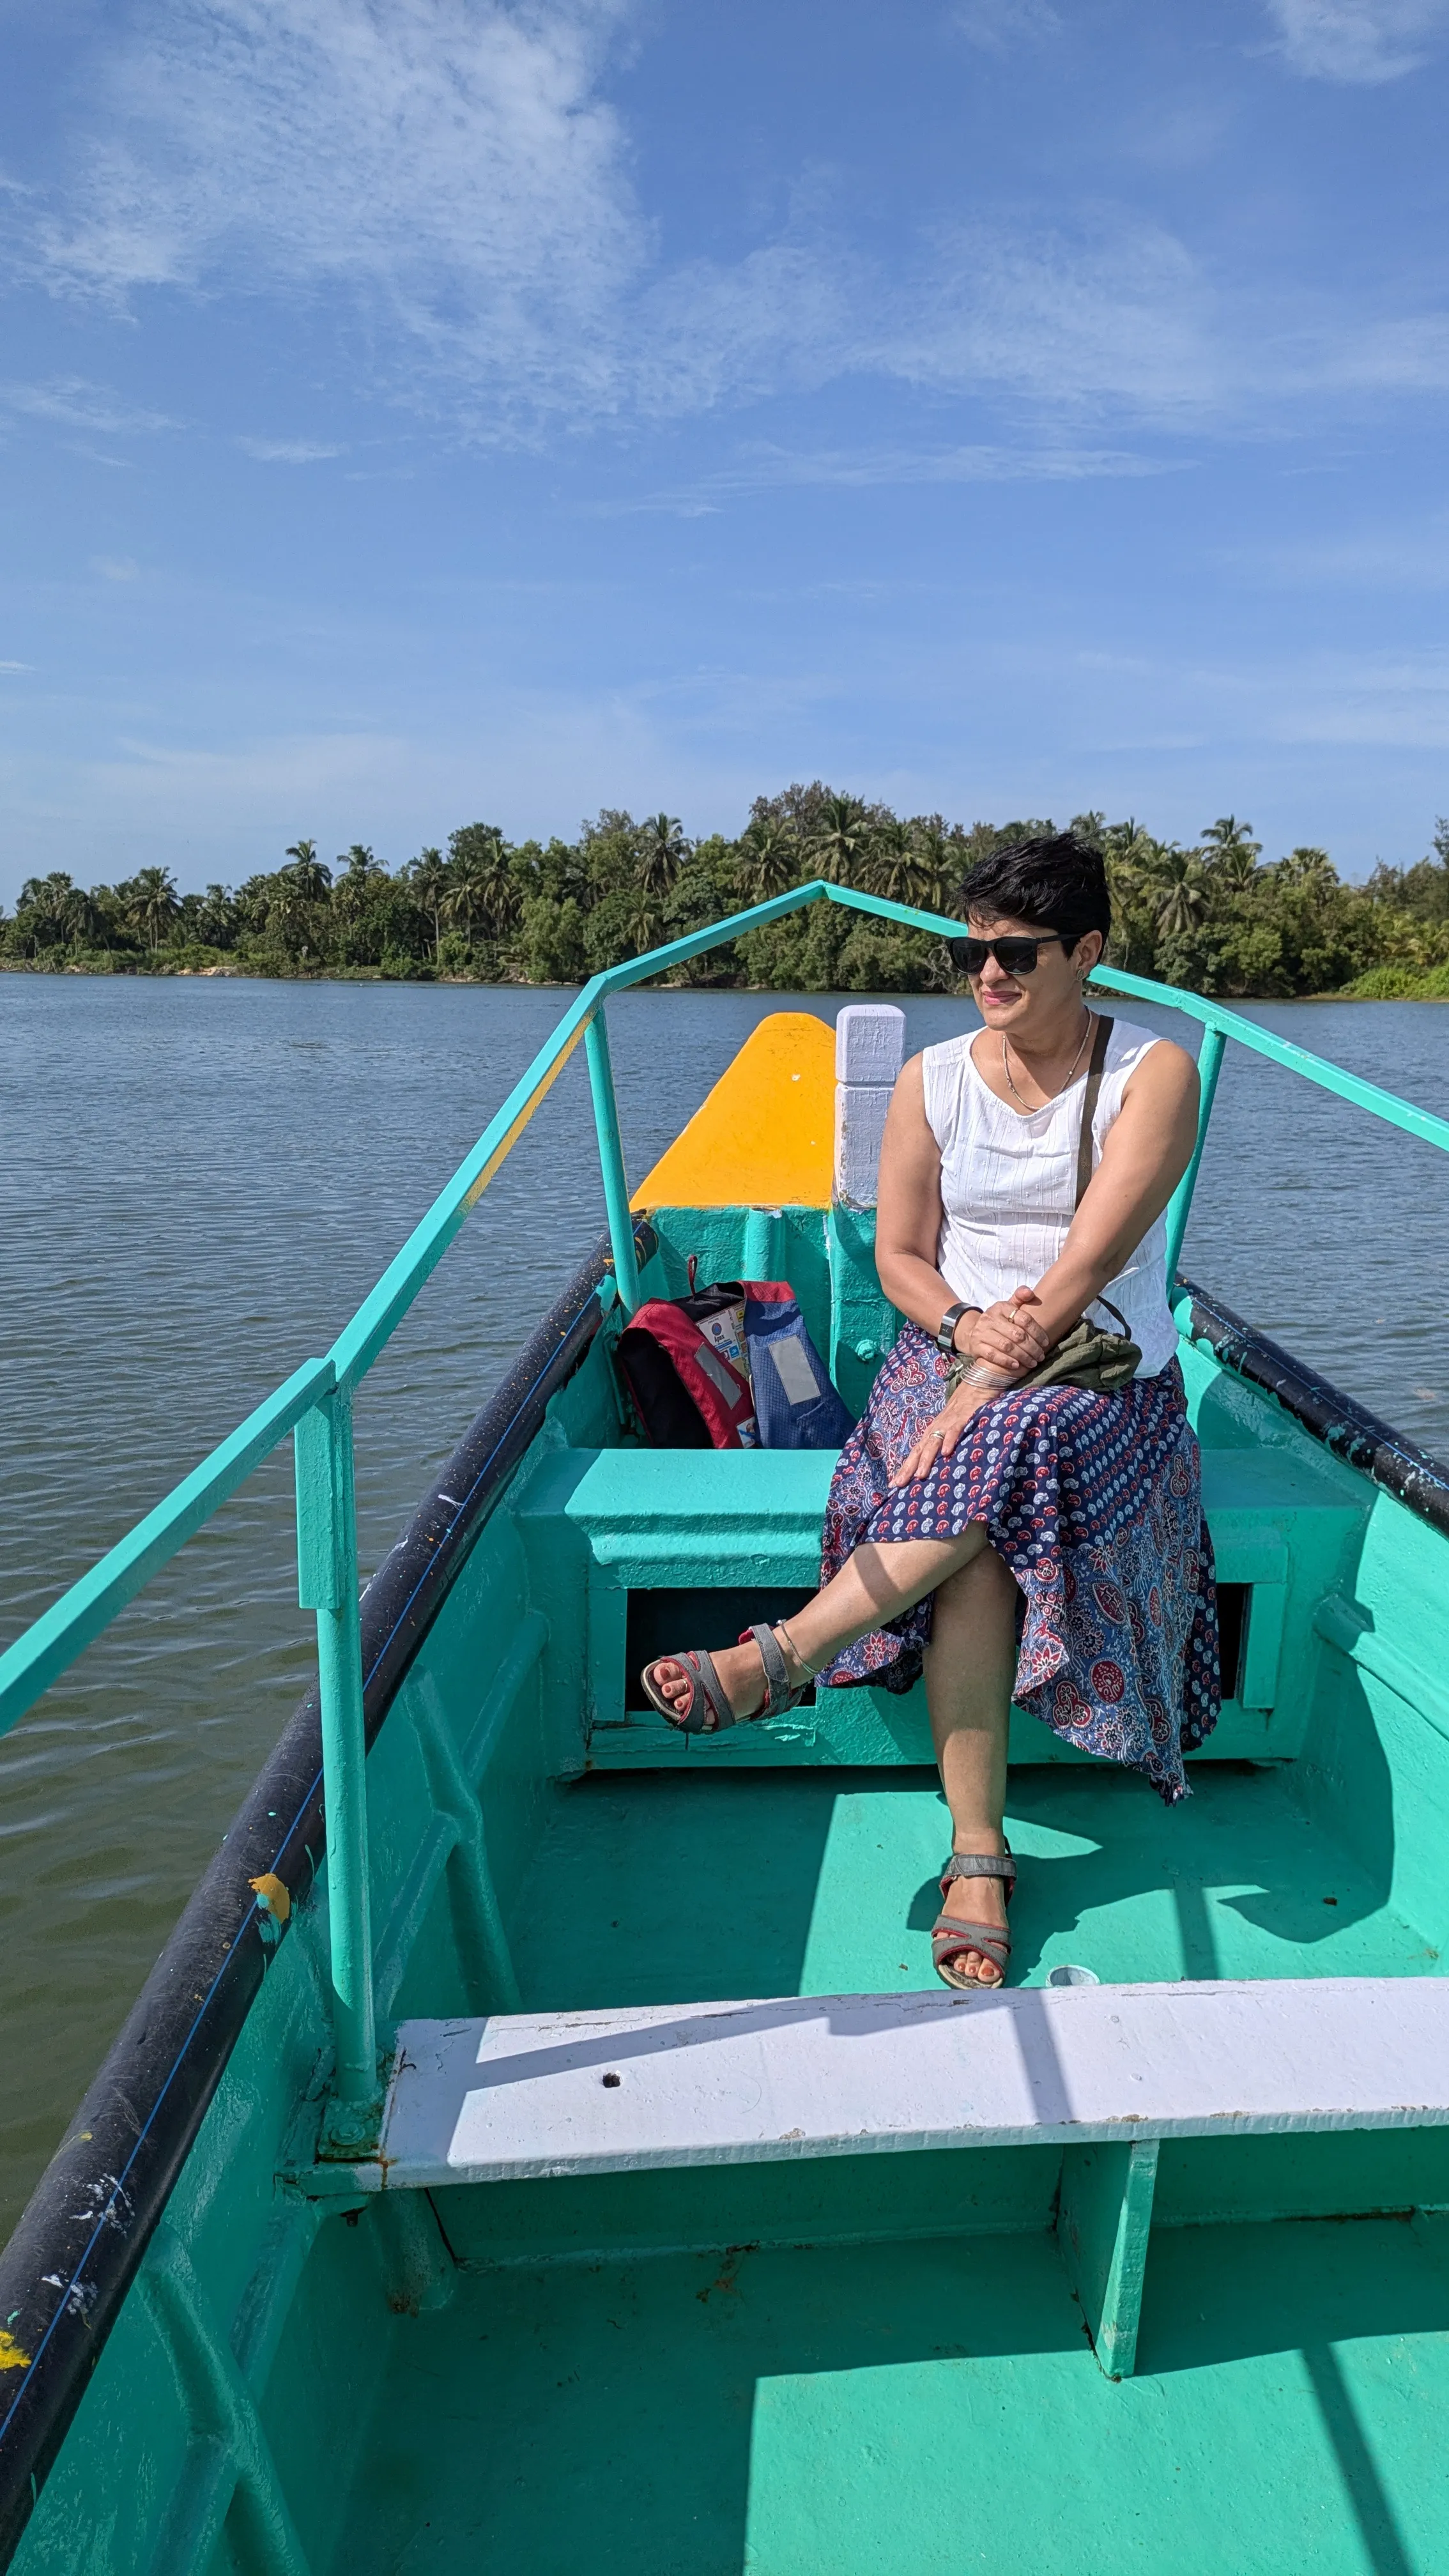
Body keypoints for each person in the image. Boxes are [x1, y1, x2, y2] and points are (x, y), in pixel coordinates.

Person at [641, 832, 1221, 1988]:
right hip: (950, 1352)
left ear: (1087, 953)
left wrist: (991, 1380)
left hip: (1100, 1374)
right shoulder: (934, 1079)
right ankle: (978, 1856)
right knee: (980, 1540)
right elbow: (900, 1255)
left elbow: (1086, 1266)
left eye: (1017, 953)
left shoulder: (1153, 1074)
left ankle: (782, 1658)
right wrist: (961, 1335)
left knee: (1009, 1442)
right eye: (972, 953)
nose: (988, 974)